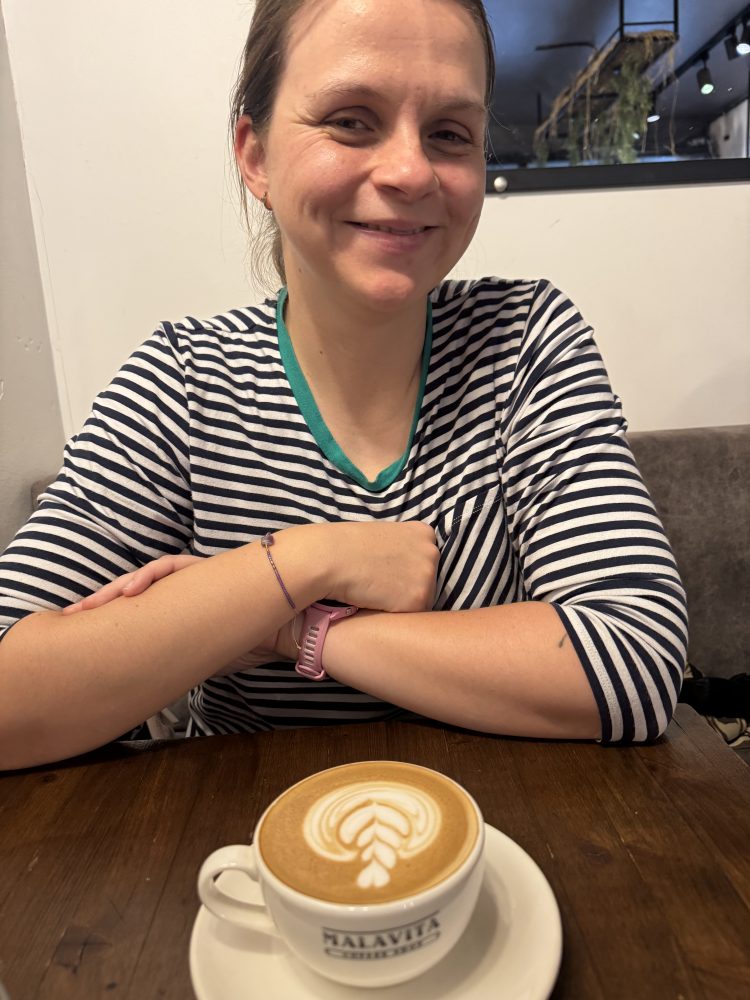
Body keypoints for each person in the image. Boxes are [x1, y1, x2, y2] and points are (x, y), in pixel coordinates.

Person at [0, 0, 687, 771]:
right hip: (242, 831)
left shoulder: (525, 339)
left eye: (449, 133)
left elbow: (634, 663)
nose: (410, 171)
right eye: (352, 121)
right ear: (255, 156)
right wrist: (307, 561)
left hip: (498, 828)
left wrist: (298, 629)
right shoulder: (183, 383)